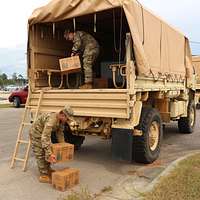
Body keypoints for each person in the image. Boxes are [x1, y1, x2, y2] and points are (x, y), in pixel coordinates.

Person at [30, 105, 76, 183]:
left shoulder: (61, 121)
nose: (67, 120)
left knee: (48, 152)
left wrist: (63, 146)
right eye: (67, 118)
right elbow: (45, 138)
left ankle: (48, 169)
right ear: (62, 114)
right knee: (41, 153)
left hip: (44, 134)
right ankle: (43, 175)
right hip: (36, 134)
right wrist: (49, 153)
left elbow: (60, 133)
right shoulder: (51, 120)